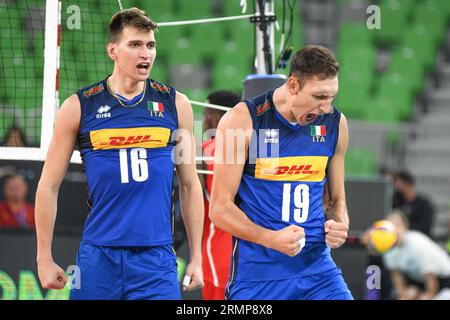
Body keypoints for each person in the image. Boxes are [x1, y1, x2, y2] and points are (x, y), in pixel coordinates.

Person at [35, 8, 204, 300]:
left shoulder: (176, 104)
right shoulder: (79, 107)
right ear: (112, 50)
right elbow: (48, 186)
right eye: (135, 45)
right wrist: (43, 257)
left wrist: (197, 257)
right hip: (98, 257)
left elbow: (190, 184)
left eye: (150, 45)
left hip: (157, 259)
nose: (146, 54)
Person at [209, 45, 353, 300]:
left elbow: (336, 200)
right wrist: (271, 238)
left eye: (331, 97)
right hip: (258, 277)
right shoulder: (244, 120)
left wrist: (340, 224)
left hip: (318, 272)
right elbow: (220, 209)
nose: (326, 107)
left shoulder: (335, 123)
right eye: (319, 96)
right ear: (293, 85)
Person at [201, 90, 240, 300]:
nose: (204, 119)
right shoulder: (254, 149)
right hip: (248, 253)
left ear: (216, 117)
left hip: (217, 252)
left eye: (206, 113)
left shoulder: (205, 150)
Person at [379, 211, 450, 300]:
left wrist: (425, 296)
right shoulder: (387, 248)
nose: (395, 230)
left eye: (398, 225)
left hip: (443, 281)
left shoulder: (417, 244)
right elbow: (397, 279)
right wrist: (404, 295)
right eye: (390, 227)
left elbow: (431, 283)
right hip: (418, 281)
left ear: (406, 227)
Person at [393, 170, 435, 237]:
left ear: (407, 184)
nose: (396, 187)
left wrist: (404, 227)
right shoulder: (396, 201)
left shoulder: (424, 204)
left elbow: (425, 226)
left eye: (399, 184)